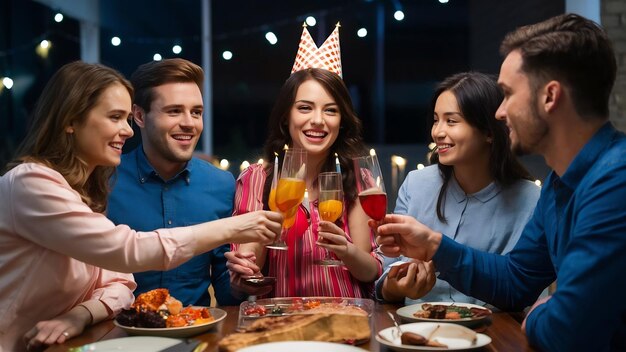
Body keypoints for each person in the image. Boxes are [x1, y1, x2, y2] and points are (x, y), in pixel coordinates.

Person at [375, 14, 626, 351]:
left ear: (550, 97)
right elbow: (516, 280)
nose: (499, 112)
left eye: (508, 94)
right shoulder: (558, 183)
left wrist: (540, 313)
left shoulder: (616, 182)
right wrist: (435, 246)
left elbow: (570, 331)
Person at [0, 61, 281, 351]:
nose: (127, 131)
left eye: (196, 112)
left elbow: (120, 282)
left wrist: (79, 315)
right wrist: (234, 227)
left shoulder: (81, 190)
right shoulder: (33, 183)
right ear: (70, 120)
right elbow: (128, 251)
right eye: (115, 117)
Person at [226, 24, 382, 298]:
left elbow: (371, 271)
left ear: (342, 121)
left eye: (331, 111)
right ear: (286, 116)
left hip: (347, 317)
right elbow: (248, 263)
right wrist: (245, 271)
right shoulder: (257, 178)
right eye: (305, 108)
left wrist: (347, 252)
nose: (318, 120)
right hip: (281, 320)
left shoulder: (359, 179)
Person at [375, 72, 540, 306]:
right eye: (435, 120)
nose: (438, 132)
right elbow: (386, 271)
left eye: (451, 121)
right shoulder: (416, 184)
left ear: (489, 132)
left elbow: (521, 288)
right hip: (413, 331)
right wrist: (394, 287)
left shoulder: (530, 200)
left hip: (491, 335)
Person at [107, 58, 240, 307]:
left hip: (195, 334)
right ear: (139, 115)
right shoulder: (104, 180)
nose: (189, 123)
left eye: (196, 112)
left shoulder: (222, 185)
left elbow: (226, 290)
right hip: (118, 336)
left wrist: (240, 283)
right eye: (174, 111)